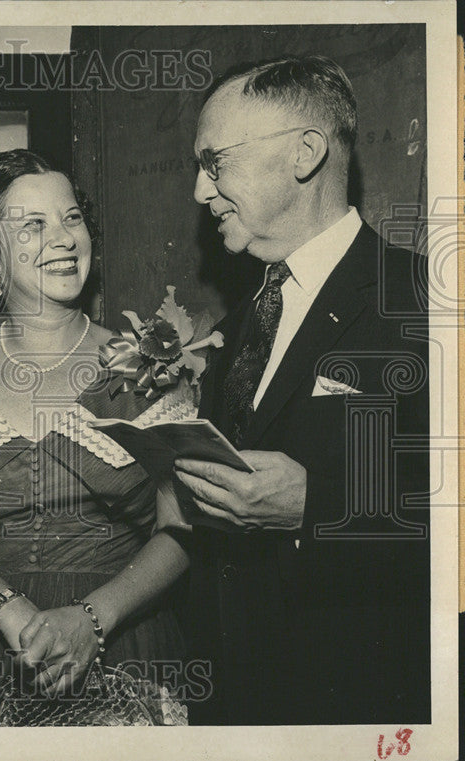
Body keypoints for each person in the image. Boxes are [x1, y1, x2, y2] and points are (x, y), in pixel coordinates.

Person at [177, 55, 430, 724]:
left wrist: (316, 505)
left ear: (305, 153)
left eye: (215, 163)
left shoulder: (426, 302)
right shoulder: (236, 328)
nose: (201, 192)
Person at [0, 149, 191, 726]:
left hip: (122, 647)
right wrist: (8, 610)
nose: (62, 238)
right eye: (32, 226)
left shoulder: (151, 369)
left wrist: (91, 620)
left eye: (71, 218)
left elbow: (183, 528)